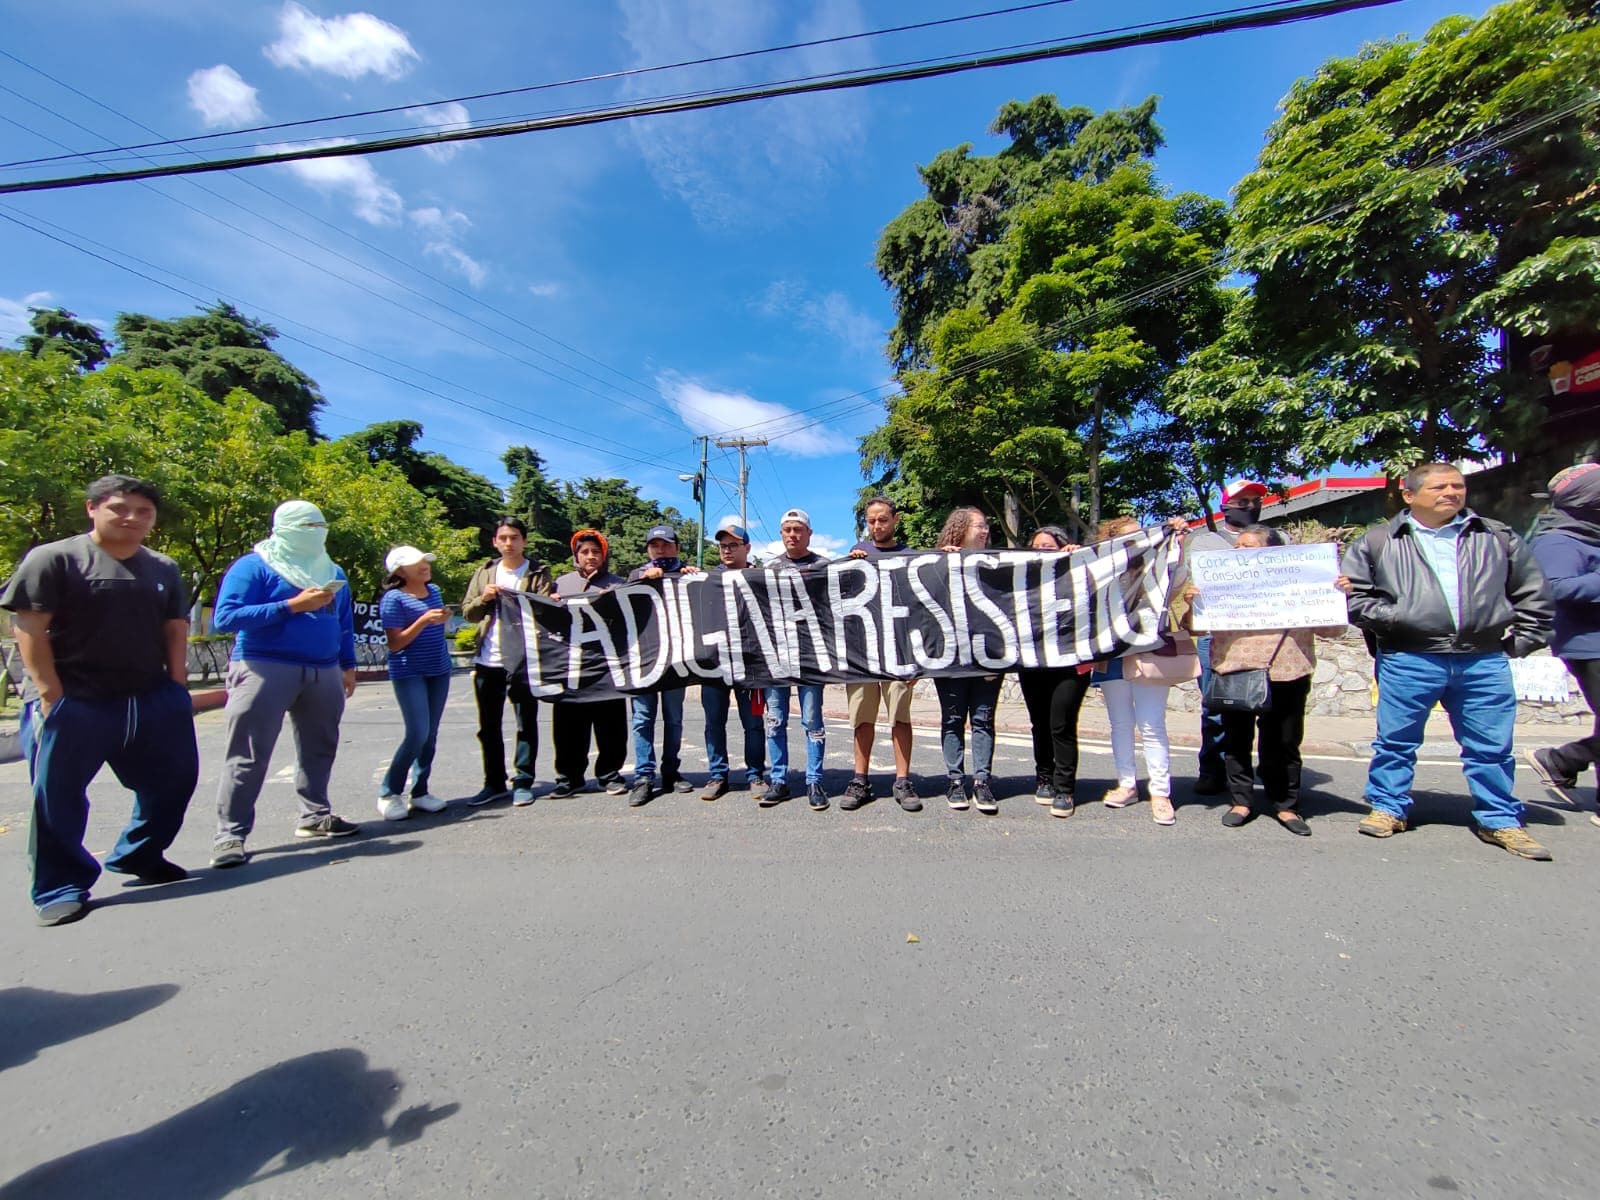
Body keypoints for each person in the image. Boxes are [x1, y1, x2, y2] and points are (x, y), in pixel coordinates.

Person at [1, 475, 198, 927]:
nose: (132, 518)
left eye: (143, 511)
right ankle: (59, 886)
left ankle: (140, 855)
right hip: (77, 699)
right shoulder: (54, 558)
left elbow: (174, 629)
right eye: (119, 508)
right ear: (92, 509)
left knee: (174, 782)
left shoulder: (162, 567)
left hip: (150, 697)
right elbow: (29, 628)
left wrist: (176, 686)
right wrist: (50, 693)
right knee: (58, 797)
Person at [1343, 462, 1554, 859]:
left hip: (1482, 659)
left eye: (1457, 486)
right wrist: (1402, 619)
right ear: (1410, 495)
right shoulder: (1379, 541)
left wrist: (1523, 641)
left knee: (1491, 746)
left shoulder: (1495, 536)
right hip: (1409, 656)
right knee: (1395, 741)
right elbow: (1356, 599)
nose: (1451, 493)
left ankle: (1499, 819)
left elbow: (1532, 591)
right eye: (1439, 486)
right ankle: (1388, 807)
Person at [210, 500, 359, 868]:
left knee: (320, 748)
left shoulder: (331, 569)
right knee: (248, 753)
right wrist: (291, 605)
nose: (318, 531)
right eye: (308, 525)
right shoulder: (254, 566)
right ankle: (230, 834)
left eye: (321, 524)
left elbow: (343, 621)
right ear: (285, 526)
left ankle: (314, 816)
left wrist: (348, 663)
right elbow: (225, 617)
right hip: (265, 665)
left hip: (323, 669)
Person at [1176, 526, 1350, 836]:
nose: (1241, 551)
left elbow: (1333, 631)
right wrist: (1194, 603)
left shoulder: (1301, 581)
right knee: (1236, 741)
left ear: (1272, 553)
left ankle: (1286, 804)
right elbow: (1194, 628)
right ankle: (1241, 801)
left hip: (1287, 670)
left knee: (1283, 743)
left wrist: (1336, 597)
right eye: (1238, 546)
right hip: (1235, 668)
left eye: (1250, 545)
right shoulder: (1217, 581)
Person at [1092, 516, 1198, 827]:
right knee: (1120, 724)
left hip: (1149, 652)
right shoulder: (1101, 571)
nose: (1138, 542)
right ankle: (1127, 784)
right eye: (1130, 537)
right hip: (1112, 654)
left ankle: (1160, 792)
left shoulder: (1158, 569)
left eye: (1143, 536)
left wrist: (1178, 542)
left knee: (1152, 724)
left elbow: (1178, 578)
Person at [1180, 480, 1269, 795]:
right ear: (1226, 506)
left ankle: (1266, 771)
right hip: (1217, 637)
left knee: (1268, 707)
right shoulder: (1206, 543)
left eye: (1255, 501)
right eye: (1242, 501)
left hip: (1266, 637)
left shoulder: (1277, 539)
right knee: (1215, 706)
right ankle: (1212, 769)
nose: (1250, 507)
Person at [461, 516, 554, 808]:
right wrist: (483, 600)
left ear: (524, 541)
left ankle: (523, 780)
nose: (509, 543)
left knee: (525, 723)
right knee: (488, 726)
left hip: (524, 660)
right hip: (488, 660)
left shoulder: (538, 573)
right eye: (503, 538)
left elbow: (545, 614)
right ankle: (493, 782)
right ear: (495, 542)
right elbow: (468, 613)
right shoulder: (485, 573)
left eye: (514, 537)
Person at [1527, 464, 1600, 821]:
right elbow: (1553, 587)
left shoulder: (1592, 536)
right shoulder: (1558, 540)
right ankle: (1562, 759)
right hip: (1590, 645)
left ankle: (1562, 761)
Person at [841, 496, 921, 813]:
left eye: (883, 519)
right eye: (871, 521)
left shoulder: (912, 559)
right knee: (862, 719)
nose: (877, 526)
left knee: (900, 717)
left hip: (899, 652)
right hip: (863, 654)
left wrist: (919, 660)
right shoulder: (855, 557)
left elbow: (921, 610)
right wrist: (850, 565)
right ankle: (860, 779)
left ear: (895, 520)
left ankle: (903, 780)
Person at [933, 507, 1003, 814]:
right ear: (960, 529)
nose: (985, 531)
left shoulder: (998, 564)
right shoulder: (936, 563)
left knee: (983, 721)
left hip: (987, 658)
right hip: (951, 660)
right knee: (952, 720)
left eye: (987, 526)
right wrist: (942, 562)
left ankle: (982, 781)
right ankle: (955, 779)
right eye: (979, 526)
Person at [761, 508, 832, 812]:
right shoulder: (768, 569)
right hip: (776, 657)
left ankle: (814, 780)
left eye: (798, 529)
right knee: (775, 721)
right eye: (788, 529)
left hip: (812, 658)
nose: (793, 534)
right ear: (781, 534)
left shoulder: (825, 566)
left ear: (809, 533)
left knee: (812, 720)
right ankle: (778, 779)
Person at [551, 529, 629, 798]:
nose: (591, 556)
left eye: (596, 552)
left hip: (606, 667)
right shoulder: (560, 585)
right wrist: (550, 605)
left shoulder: (618, 585)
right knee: (568, 725)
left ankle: (609, 774)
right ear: (576, 556)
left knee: (611, 724)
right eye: (585, 552)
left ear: (604, 555)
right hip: (570, 666)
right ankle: (569, 777)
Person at [376, 545, 452, 821]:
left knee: (430, 735)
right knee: (417, 733)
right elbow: (395, 644)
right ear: (399, 571)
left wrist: (440, 620)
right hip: (410, 672)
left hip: (439, 669)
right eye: (416, 563)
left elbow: (436, 631)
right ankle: (389, 792)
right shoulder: (393, 599)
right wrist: (422, 621)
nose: (424, 566)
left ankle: (419, 792)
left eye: (425, 561)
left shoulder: (434, 592)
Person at [1017, 524, 1088, 818]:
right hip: (1034, 661)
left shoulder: (1078, 569)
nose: (1042, 552)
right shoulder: (1023, 577)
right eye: (1037, 547)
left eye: (1048, 547)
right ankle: (1044, 777)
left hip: (1070, 662)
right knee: (1040, 723)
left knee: (1061, 724)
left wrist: (1081, 556)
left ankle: (1065, 789)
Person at [626, 524, 697, 806]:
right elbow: (620, 606)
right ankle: (643, 776)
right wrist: (644, 580)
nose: (660, 549)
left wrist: (696, 577)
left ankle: (671, 771)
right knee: (642, 718)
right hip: (643, 659)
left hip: (676, 659)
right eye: (654, 545)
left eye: (666, 544)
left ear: (677, 548)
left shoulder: (689, 575)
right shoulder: (636, 575)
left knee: (674, 717)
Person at [698, 517, 767, 801]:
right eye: (722, 546)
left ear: (747, 548)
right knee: (714, 722)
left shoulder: (762, 578)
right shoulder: (703, 581)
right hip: (714, 665)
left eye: (733, 545)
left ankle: (755, 775)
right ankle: (718, 775)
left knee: (753, 723)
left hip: (750, 665)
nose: (726, 550)